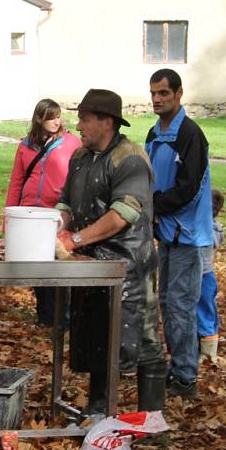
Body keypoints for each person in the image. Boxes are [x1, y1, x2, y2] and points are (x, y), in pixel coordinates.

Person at [56, 89, 166, 415]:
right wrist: (50, 228)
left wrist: (73, 240)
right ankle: (98, 410)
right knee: (96, 336)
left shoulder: (130, 159)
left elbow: (123, 215)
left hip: (130, 264)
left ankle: (151, 418)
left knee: (142, 340)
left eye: (85, 119)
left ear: (107, 122)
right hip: (91, 262)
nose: (78, 125)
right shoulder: (79, 157)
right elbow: (65, 203)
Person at [145, 68, 214, 399]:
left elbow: (189, 188)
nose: (157, 99)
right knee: (165, 303)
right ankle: (177, 369)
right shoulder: (154, 133)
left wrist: (154, 204)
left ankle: (186, 375)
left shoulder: (191, 134)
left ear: (178, 94)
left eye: (164, 93)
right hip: (165, 234)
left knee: (181, 307)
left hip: (187, 236)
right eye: (154, 94)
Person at [5, 99, 81, 326]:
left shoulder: (71, 143)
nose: (56, 122)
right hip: (29, 213)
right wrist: (8, 220)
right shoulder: (25, 146)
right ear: (39, 119)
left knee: (57, 260)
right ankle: (45, 316)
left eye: (58, 117)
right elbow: (16, 182)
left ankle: (62, 316)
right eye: (51, 117)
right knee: (37, 262)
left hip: (56, 213)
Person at [197, 189, 224, 364]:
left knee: (205, 309)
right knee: (201, 309)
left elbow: (214, 241)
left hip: (205, 275)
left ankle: (208, 352)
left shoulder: (214, 228)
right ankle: (203, 344)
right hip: (198, 274)